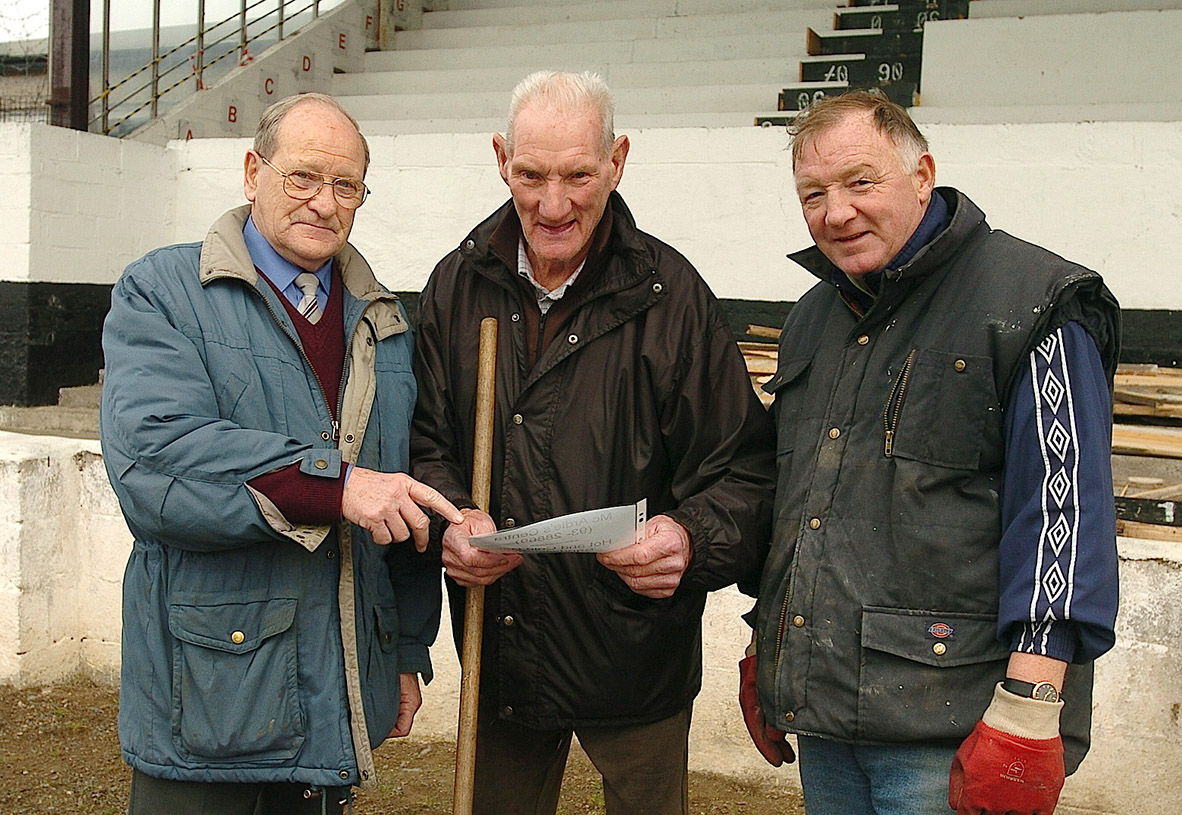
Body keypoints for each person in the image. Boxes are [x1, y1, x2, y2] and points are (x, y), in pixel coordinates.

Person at [739, 89, 1121, 815]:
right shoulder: (814, 318)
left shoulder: (1032, 303)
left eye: (860, 181)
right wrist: (770, 641)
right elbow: (799, 503)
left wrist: (1030, 709)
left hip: (958, 732)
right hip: (828, 723)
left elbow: (1063, 512)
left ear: (923, 176)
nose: (836, 212)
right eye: (813, 193)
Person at [411, 71, 776, 815]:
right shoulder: (457, 284)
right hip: (501, 648)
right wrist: (449, 518)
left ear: (617, 161)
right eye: (530, 175)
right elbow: (423, 444)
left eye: (578, 175)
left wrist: (689, 539)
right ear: (500, 159)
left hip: (636, 655)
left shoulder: (671, 295)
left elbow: (742, 470)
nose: (554, 205)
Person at [100, 92, 464, 815]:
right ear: (251, 172)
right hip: (209, 696)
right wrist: (336, 486)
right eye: (303, 177)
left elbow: (403, 496)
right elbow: (155, 458)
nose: (323, 203)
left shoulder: (385, 324)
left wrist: (403, 651)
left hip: (333, 691)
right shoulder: (165, 291)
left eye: (346, 185)